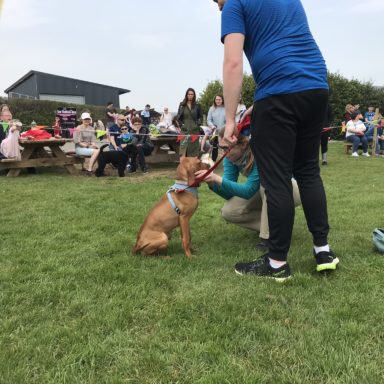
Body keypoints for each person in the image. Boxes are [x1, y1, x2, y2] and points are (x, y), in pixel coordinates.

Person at [213, 0, 338, 280]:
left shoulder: (234, 4)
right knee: (308, 172)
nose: (217, 7)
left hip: (278, 91)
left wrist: (230, 119)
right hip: (316, 86)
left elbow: (233, 63)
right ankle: (323, 250)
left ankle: (277, 263)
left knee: (276, 179)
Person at [196, 127, 301, 249]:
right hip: (268, 190)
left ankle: (267, 238)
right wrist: (212, 183)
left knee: (265, 185)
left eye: (226, 148)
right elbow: (229, 193)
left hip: (291, 189)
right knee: (229, 211)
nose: (223, 152)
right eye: (221, 147)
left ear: (243, 144)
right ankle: (278, 228)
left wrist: (217, 178)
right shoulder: (230, 158)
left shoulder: (260, 153)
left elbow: (248, 191)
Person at [176, 87, 203, 157]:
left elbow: (200, 117)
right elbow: (178, 117)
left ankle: (193, 167)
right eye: (189, 94)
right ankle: (183, 167)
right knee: (183, 150)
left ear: (194, 95)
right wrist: (181, 125)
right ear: (186, 95)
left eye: (192, 94)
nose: (190, 96)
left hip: (194, 131)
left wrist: (197, 125)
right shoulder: (182, 105)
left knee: (194, 151)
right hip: (184, 130)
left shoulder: (197, 105)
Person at [201, 95, 226, 161]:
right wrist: (212, 126)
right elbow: (209, 120)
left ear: (222, 100)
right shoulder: (211, 109)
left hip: (224, 131)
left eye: (219, 99)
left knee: (225, 147)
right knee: (215, 147)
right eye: (217, 99)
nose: (218, 101)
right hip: (215, 131)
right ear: (214, 100)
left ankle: (226, 162)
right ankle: (213, 162)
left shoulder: (226, 108)